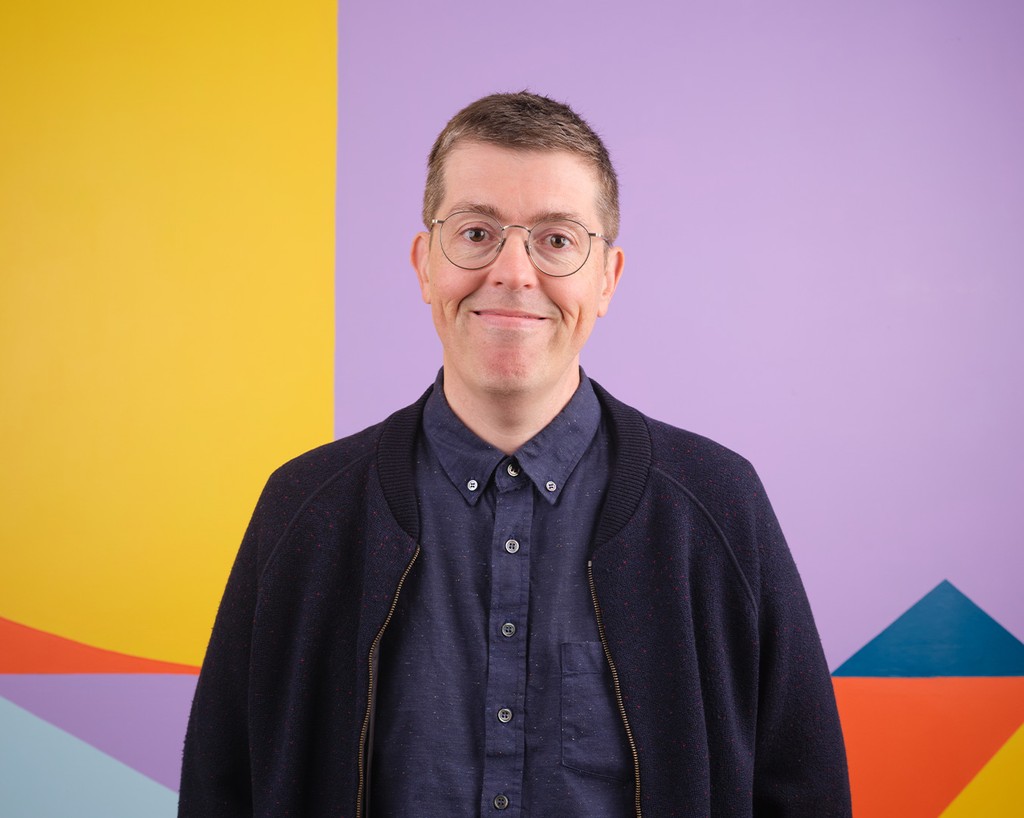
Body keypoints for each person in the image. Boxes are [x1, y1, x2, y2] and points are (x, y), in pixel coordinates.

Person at [179, 91, 851, 818]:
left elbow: (803, 790)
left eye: (556, 240)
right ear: (424, 263)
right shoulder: (305, 510)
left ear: (607, 279)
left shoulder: (718, 505)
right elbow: (224, 787)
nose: (513, 272)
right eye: (476, 233)